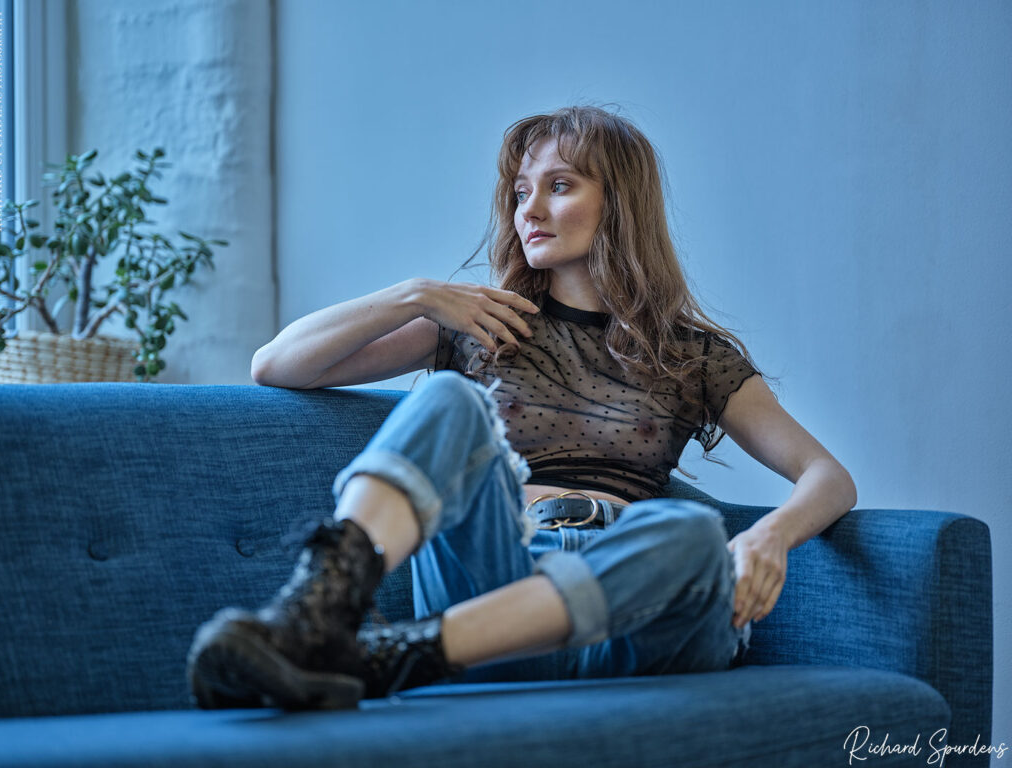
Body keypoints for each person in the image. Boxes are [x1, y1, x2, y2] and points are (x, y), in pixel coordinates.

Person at [186, 105, 857, 711]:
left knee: (692, 534)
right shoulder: (481, 324)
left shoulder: (691, 356)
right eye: (519, 192)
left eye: (559, 186)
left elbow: (828, 477)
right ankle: (316, 620)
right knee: (449, 396)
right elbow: (274, 364)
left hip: (630, 616)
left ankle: (394, 655)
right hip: (493, 592)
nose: (528, 210)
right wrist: (416, 294)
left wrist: (768, 536)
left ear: (618, 204)